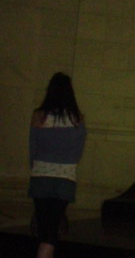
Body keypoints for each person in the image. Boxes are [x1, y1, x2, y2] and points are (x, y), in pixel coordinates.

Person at [28, 72, 86, 258]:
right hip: (64, 178)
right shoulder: (77, 119)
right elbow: (77, 154)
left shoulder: (39, 116)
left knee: (44, 229)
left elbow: (33, 149)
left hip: (41, 176)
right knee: (52, 231)